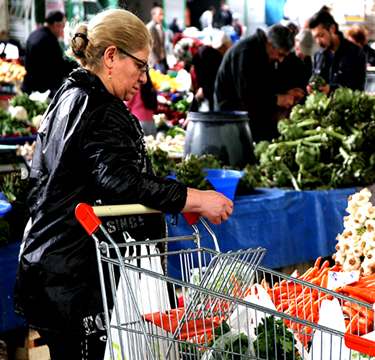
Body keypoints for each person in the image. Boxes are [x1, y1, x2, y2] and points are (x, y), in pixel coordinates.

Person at [14, 9, 233, 360]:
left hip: (49, 271)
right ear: (112, 56)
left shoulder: (69, 94)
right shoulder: (102, 108)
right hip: (78, 280)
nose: (144, 78)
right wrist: (194, 199)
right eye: (141, 65)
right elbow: (123, 183)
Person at [214, 24, 304, 142]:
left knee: (288, 107)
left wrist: (286, 93)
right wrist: (278, 99)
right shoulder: (246, 52)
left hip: (246, 104)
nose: (281, 60)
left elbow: (265, 87)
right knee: (281, 115)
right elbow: (248, 94)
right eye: (280, 54)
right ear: (269, 44)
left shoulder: (265, 53)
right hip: (230, 109)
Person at [309, 10, 366, 94]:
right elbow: (314, 78)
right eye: (315, 37)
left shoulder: (355, 53)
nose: (318, 41)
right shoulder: (319, 54)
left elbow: (357, 87)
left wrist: (332, 90)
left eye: (321, 36)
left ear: (332, 29)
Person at [22, 11, 76, 95]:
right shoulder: (49, 41)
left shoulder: (34, 34)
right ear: (56, 25)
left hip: (29, 86)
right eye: (63, 27)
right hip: (42, 91)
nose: (62, 31)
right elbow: (58, 67)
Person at [125, 70, 158, 136]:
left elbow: (126, 105)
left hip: (138, 122)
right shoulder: (151, 88)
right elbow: (155, 107)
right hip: (151, 123)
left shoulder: (136, 88)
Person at [147, 7, 167, 73]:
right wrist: (155, 61)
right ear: (153, 16)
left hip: (162, 59)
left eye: (162, 15)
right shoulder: (150, 28)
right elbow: (149, 46)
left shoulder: (161, 27)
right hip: (155, 63)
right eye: (159, 15)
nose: (161, 17)